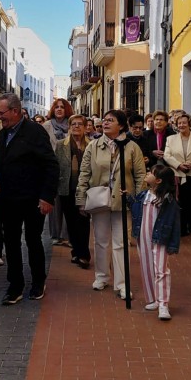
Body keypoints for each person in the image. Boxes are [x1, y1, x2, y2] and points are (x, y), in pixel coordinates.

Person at [0, 93, 59, 304]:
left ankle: (38, 281)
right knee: (11, 242)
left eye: (1, 113)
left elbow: (51, 164)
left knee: (33, 240)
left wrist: (47, 197)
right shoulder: (3, 134)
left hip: (32, 199)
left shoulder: (34, 131)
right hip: (9, 200)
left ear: (15, 111)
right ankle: (15, 286)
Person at [76, 109, 146, 299]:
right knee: (100, 241)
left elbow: (140, 176)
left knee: (121, 242)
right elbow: (84, 174)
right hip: (99, 199)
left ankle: (122, 283)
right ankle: (101, 276)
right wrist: (80, 199)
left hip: (124, 201)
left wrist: (137, 199)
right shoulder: (93, 146)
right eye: (105, 120)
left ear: (121, 125)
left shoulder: (131, 147)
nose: (105, 123)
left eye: (111, 120)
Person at [135, 164, 181, 320]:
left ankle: (163, 304)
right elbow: (134, 207)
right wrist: (126, 197)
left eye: (151, 173)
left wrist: (173, 244)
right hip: (143, 237)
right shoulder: (143, 196)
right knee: (147, 267)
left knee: (161, 270)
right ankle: (153, 298)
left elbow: (175, 223)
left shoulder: (167, 201)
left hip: (160, 239)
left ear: (159, 180)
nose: (147, 174)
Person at [162, 112, 191, 236]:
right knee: (179, 201)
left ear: (189, 124)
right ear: (176, 125)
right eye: (179, 123)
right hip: (178, 174)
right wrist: (178, 165)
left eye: (184, 123)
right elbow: (167, 155)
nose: (181, 125)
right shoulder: (171, 139)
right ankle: (181, 227)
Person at [56, 114, 91, 269]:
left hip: (85, 189)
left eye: (80, 124)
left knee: (83, 221)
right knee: (70, 222)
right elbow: (56, 166)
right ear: (69, 127)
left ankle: (84, 255)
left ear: (85, 127)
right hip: (66, 188)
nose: (76, 126)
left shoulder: (91, 144)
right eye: (73, 124)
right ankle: (76, 252)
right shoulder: (60, 144)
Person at [42, 98, 73, 247]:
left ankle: (67, 235)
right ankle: (55, 235)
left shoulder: (71, 124)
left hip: (69, 167)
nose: (59, 109)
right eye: (56, 107)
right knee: (55, 203)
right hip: (52, 167)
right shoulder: (47, 126)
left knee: (68, 201)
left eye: (62, 107)